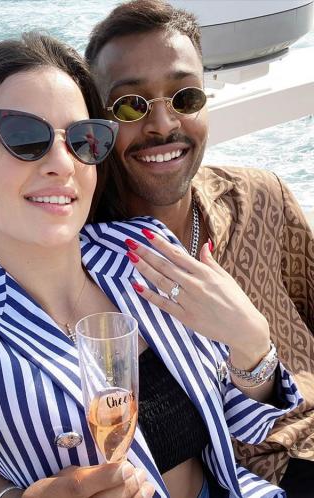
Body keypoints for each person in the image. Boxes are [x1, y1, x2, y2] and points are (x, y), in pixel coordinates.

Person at [0, 31, 301, 498]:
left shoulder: (141, 251)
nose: (63, 163)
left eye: (83, 140)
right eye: (24, 136)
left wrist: (251, 345)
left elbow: (244, 422)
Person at [84, 0, 314, 494]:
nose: (163, 124)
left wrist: (254, 344)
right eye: (130, 105)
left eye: (185, 97)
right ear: (96, 124)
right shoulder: (84, 268)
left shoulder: (260, 197)